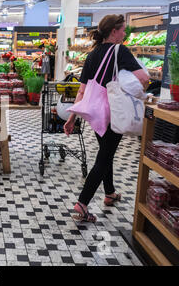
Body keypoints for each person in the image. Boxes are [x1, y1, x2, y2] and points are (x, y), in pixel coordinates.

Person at [63, 14, 150, 223]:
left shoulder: (92, 55)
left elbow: (82, 91)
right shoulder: (120, 51)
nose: (123, 33)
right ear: (114, 31)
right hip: (114, 112)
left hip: (96, 112)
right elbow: (144, 78)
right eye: (122, 30)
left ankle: (110, 192)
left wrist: (72, 117)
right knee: (104, 157)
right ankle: (82, 203)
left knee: (106, 151)